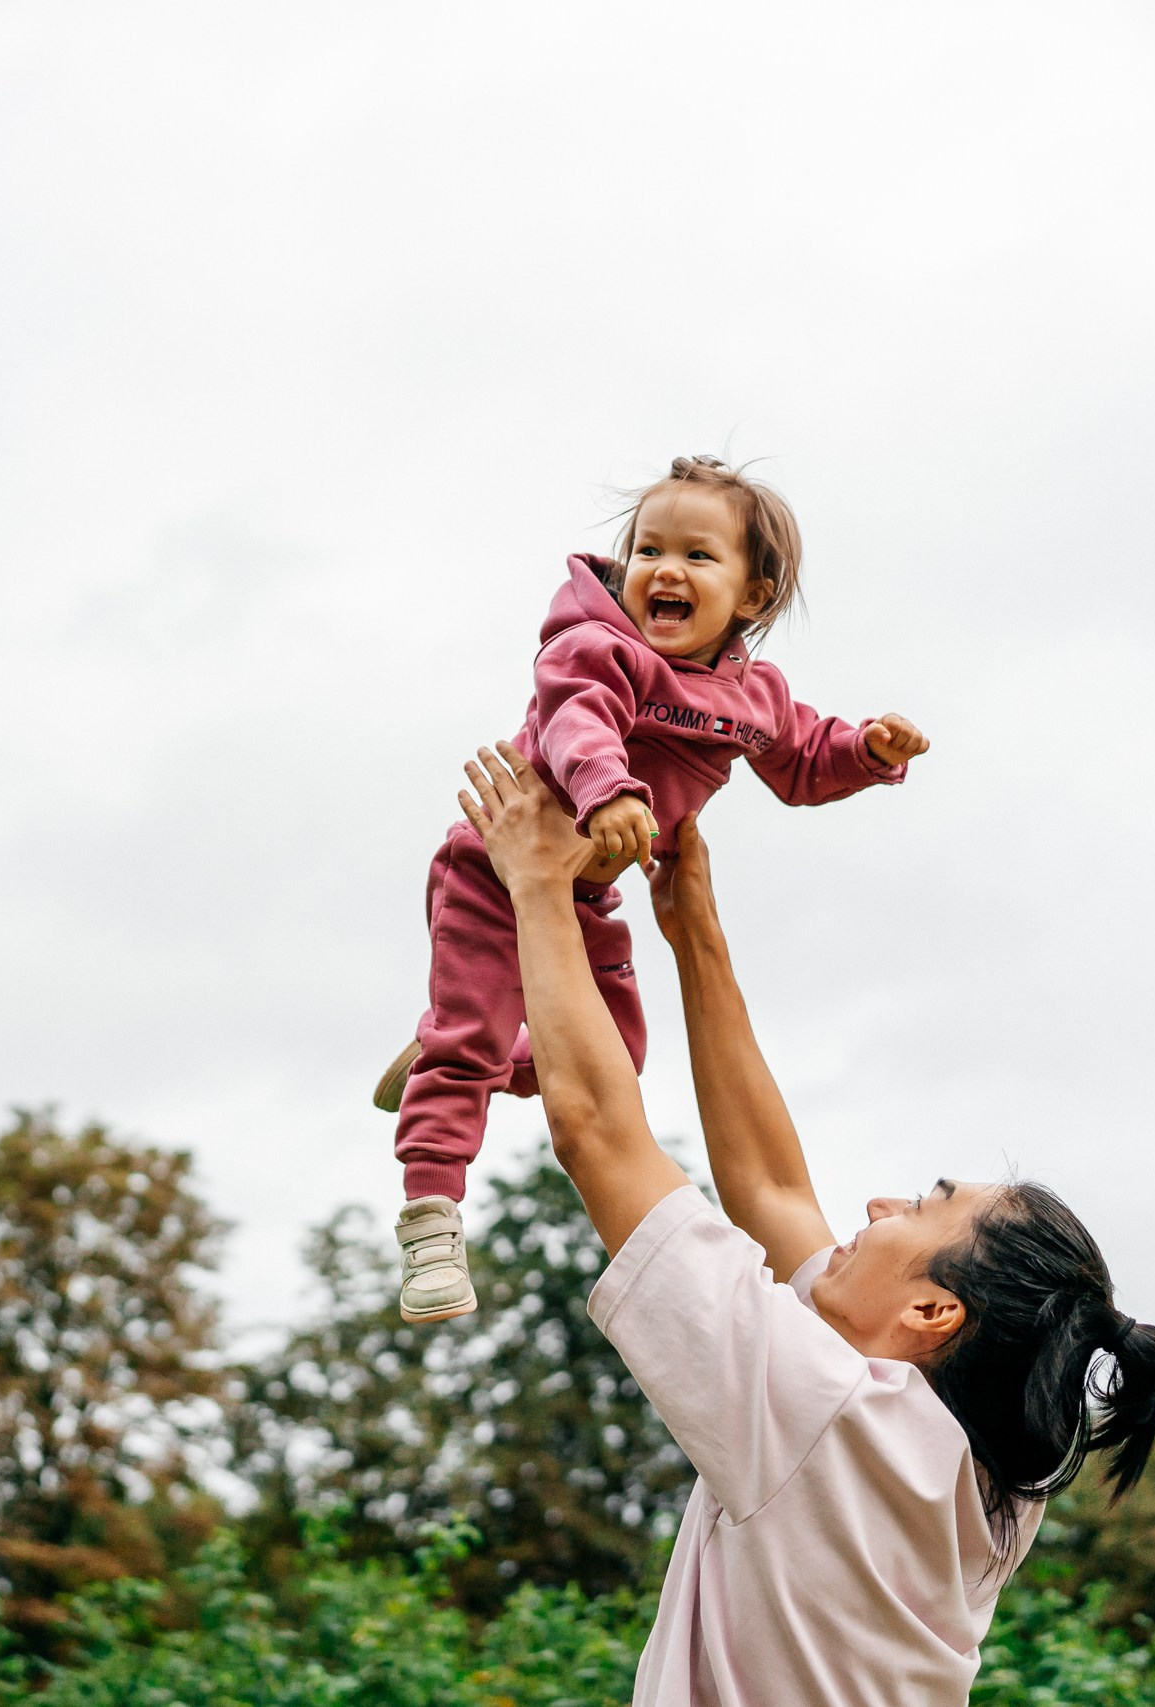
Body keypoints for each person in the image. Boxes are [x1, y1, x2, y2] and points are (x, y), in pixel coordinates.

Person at [453, 742, 1155, 1707]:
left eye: (922, 1206)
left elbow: (596, 1132)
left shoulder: (830, 1415)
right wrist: (694, 931)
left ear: (933, 1312)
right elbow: (768, 1189)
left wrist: (538, 883)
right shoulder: (990, 1480)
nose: (877, 1205)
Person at [383, 456, 931, 1323]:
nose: (663, 570)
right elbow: (578, 719)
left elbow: (800, 761)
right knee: (470, 1046)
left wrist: (868, 752)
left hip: (588, 897)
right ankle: (431, 1216)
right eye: (647, 549)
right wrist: (609, 791)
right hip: (501, 871)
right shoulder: (596, 649)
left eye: (697, 556)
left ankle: (468, 1056)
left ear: (753, 595)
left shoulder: (753, 694)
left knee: (618, 1058)